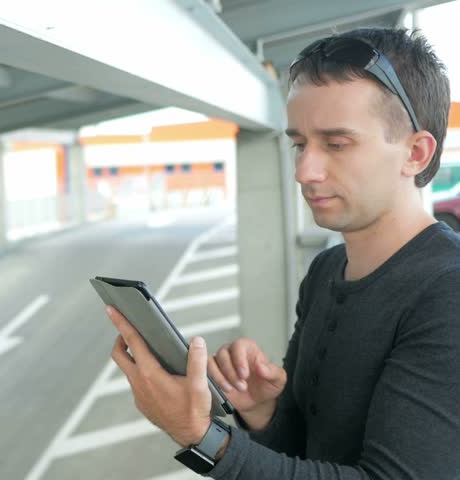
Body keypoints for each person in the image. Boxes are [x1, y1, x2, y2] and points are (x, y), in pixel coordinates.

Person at [106, 27, 460, 479]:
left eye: (336, 144)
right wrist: (263, 411)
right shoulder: (327, 269)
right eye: (299, 144)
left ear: (416, 153)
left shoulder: (447, 293)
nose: (305, 171)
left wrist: (201, 436)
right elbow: (305, 453)